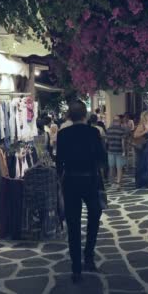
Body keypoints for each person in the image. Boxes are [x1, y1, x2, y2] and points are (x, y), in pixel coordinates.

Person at [56, 101, 106, 283]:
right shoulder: (94, 132)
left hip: (70, 181)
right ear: (85, 115)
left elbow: (59, 161)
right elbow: (102, 157)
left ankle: (76, 267)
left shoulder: (62, 134)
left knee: (73, 224)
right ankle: (89, 257)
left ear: (69, 115)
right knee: (94, 217)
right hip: (90, 180)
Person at [133, 111, 148, 189]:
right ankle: (141, 182)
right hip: (145, 147)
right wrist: (145, 131)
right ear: (145, 117)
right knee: (143, 164)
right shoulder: (142, 125)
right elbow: (135, 135)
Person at [107, 115, 127, 188]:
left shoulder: (108, 129)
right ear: (119, 121)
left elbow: (107, 141)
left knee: (111, 167)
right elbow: (123, 141)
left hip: (110, 150)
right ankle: (118, 183)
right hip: (119, 151)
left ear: (113, 121)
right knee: (119, 168)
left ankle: (112, 182)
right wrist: (124, 151)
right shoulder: (122, 130)